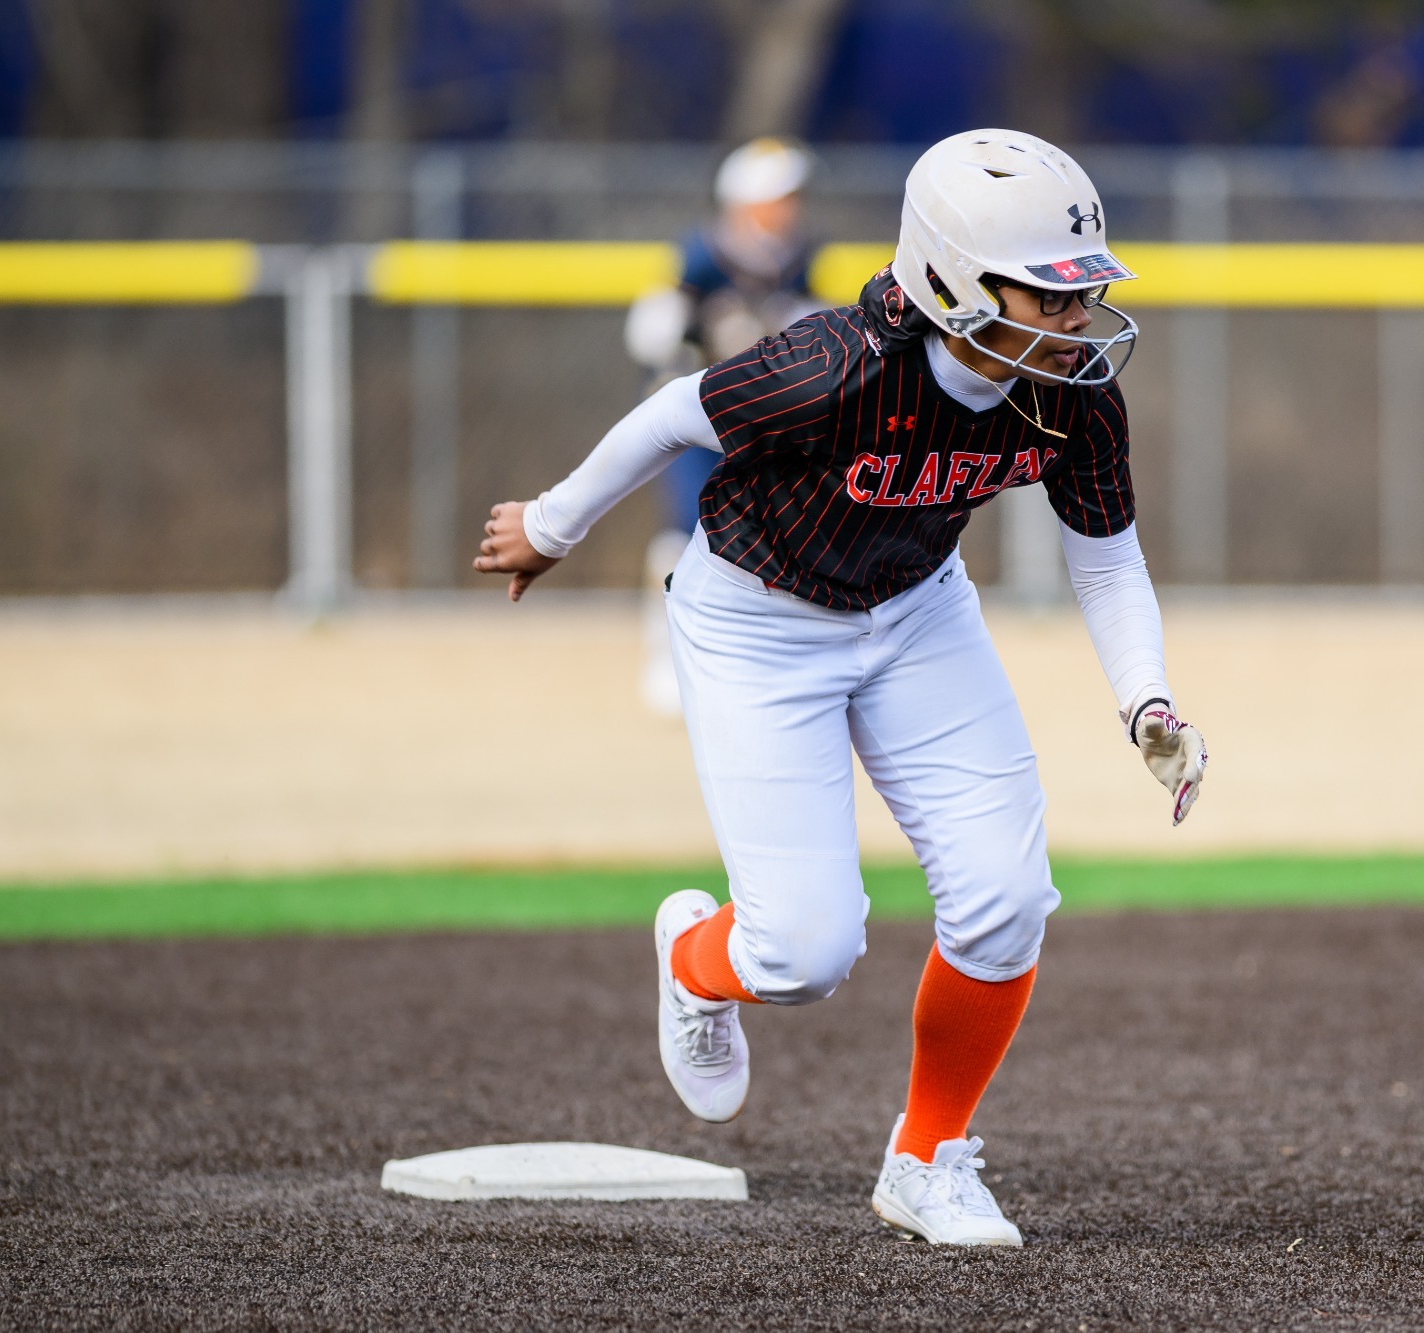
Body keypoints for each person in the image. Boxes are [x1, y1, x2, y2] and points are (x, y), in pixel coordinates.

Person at [474, 129, 1208, 1247]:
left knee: (1007, 898)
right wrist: (550, 523)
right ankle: (694, 961)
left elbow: (1105, 558)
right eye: (1050, 294)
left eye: (1083, 291)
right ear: (955, 283)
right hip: (757, 619)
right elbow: (672, 413)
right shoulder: (832, 365)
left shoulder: (1073, 397)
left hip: (916, 609)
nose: (1077, 320)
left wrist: (1145, 699)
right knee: (802, 954)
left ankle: (928, 1157)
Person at [624, 137, 823, 714]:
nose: (790, 207)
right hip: (700, 419)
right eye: (779, 196)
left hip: (765, 421)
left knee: (772, 536)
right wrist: (687, 332)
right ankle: (668, 656)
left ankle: (751, 659)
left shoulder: (796, 258)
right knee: (684, 535)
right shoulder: (703, 256)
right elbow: (651, 334)